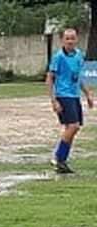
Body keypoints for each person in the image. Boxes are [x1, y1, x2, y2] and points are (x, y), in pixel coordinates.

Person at [46, 27, 94, 174]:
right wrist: (54, 100)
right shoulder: (59, 57)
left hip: (74, 96)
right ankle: (58, 157)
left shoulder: (79, 55)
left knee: (73, 128)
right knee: (73, 126)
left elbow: (79, 77)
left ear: (77, 39)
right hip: (63, 95)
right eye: (67, 38)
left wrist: (87, 94)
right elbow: (50, 78)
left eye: (72, 38)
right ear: (62, 40)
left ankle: (62, 161)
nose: (70, 41)